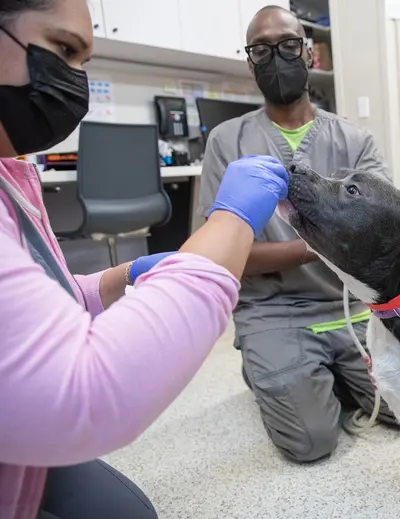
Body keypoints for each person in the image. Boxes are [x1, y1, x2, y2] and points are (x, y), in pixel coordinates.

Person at [0, 1, 291, 517]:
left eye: (83, 63)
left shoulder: (10, 176)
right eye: (64, 50)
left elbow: (38, 308)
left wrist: (121, 275)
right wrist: (232, 221)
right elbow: (81, 394)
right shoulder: (229, 140)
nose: (75, 83)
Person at [197, 5, 400, 463]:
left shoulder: (353, 140)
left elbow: (388, 227)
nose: (276, 57)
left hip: (353, 304)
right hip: (274, 309)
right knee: (311, 441)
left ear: (309, 54)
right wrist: (320, 243)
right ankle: (277, 368)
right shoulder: (227, 142)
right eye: (261, 50)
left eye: (288, 45)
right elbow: (224, 252)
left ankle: (317, 374)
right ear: (250, 62)